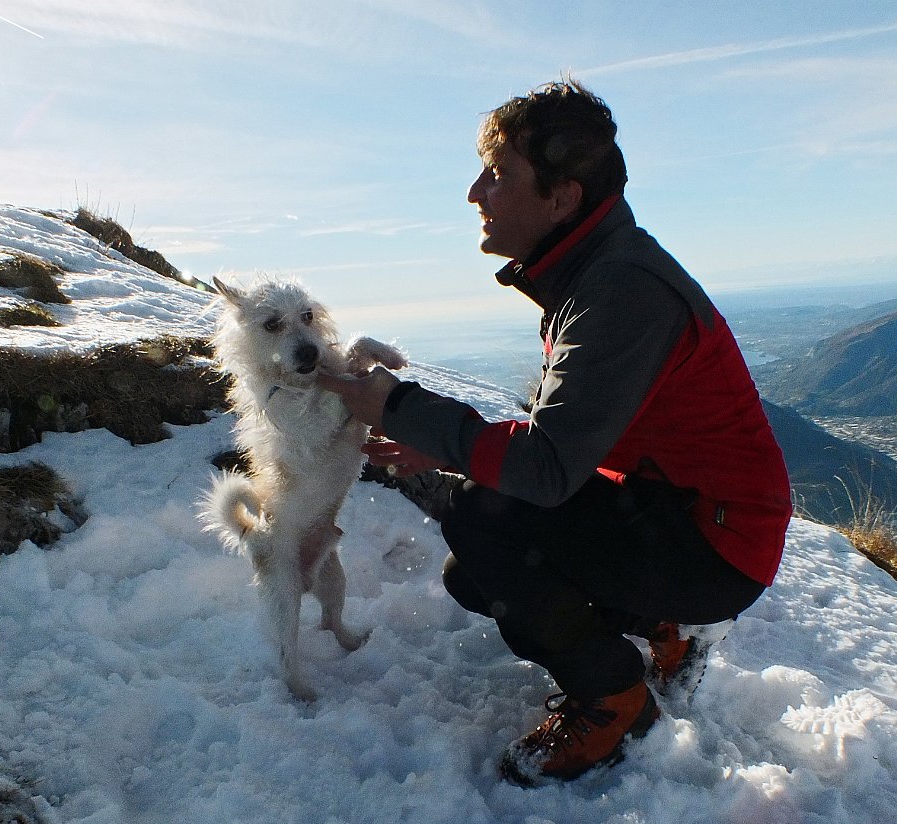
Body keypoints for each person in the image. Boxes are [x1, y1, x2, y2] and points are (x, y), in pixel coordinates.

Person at [320, 79, 791, 786]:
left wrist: (395, 406)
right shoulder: (597, 276)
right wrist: (442, 442)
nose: (477, 193)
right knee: (477, 571)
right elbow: (565, 439)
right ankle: (665, 629)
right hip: (686, 515)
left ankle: (614, 698)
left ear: (564, 196)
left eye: (501, 174)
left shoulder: (620, 290)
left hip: (718, 544)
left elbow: (544, 468)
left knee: (488, 521)